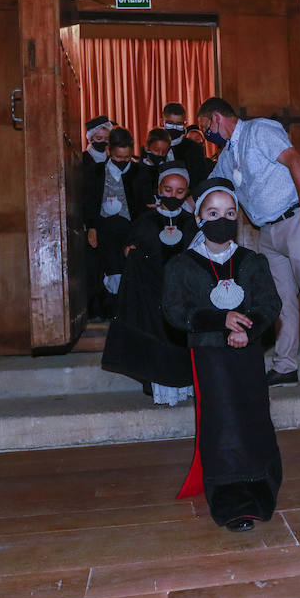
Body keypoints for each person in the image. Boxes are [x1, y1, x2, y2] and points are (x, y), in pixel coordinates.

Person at [198, 96, 300, 392]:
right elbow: (210, 188)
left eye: (204, 127)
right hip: (267, 232)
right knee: (279, 303)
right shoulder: (228, 156)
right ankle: (285, 366)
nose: (205, 135)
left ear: (216, 118)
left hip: (294, 221)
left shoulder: (259, 131)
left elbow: (296, 161)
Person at [162, 177, 283, 531]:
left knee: (253, 418)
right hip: (209, 356)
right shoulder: (182, 266)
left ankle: (261, 482)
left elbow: (269, 302)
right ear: (199, 218)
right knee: (224, 424)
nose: (222, 219)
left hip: (247, 355)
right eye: (213, 212)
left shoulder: (252, 261)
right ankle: (232, 500)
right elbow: (174, 311)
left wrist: (247, 327)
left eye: (230, 212)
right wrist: (219, 321)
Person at [101, 160, 198, 406]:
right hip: (151, 295)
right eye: (168, 190)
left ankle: (184, 384)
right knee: (156, 339)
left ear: (186, 192)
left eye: (179, 192)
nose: (173, 196)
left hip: (181, 297)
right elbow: (131, 247)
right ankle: (158, 385)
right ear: (159, 188)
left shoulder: (191, 223)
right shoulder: (146, 220)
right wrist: (130, 253)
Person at [82, 127, 153, 309]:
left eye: (126, 158)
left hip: (130, 228)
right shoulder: (96, 172)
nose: (122, 161)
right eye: (118, 158)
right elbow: (89, 201)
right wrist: (92, 227)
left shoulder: (140, 172)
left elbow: (144, 208)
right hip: (103, 229)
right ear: (108, 151)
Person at [81, 116, 115, 319]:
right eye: (98, 137)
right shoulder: (82, 160)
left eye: (105, 137)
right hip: (90, 222)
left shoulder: (114, 161)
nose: (102, 141)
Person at [162, 102, 212, 186]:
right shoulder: (154, 146)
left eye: (178, 124)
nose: (174, 128)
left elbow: (200, 179)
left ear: (184, 124)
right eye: (170, 123)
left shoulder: (194, 149)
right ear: (162, 122)